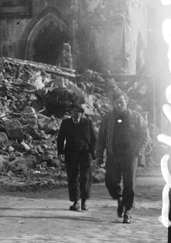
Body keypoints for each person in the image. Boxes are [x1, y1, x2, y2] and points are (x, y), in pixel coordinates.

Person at [95, 90, 150, 224]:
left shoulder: (136, 117)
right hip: (113, 154)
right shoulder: (108, 118)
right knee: (110, 182)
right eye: (117, 103)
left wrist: (138, 151)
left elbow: (145, 136)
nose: (120, 105)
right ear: (113, 104)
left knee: (129, 184)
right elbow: (102, 137)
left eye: (122, 102)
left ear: (127, 102)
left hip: (130, 156)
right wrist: (99, 155)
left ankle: (127, 211)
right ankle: (119, 198)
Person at [57, 104, 97, 211]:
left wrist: (92, 152)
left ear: (82, 114)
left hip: (85, 153)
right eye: (74, 111)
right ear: (70, 113)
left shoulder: (87, 123)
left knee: (86, 177)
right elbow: (60, 138)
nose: (77, 114)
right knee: (72, 177)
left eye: (79, 112)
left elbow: (94, 138)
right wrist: (60, 152)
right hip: (71, 153)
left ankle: (84, 202)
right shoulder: (66, 123)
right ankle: (76, 202)